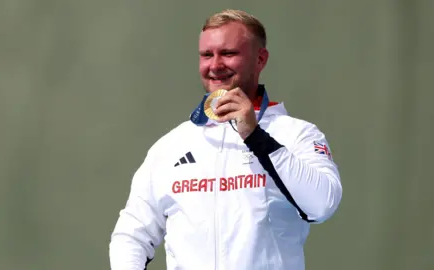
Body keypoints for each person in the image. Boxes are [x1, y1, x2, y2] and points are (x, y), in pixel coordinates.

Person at [109, 9, 342, 270]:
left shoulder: (296, 134)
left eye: (229, 54)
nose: (215, 65)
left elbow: (323, 204)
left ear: (260, 59)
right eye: (207, 55)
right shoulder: (171, 145)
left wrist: (255, 136)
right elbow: (131, 235)